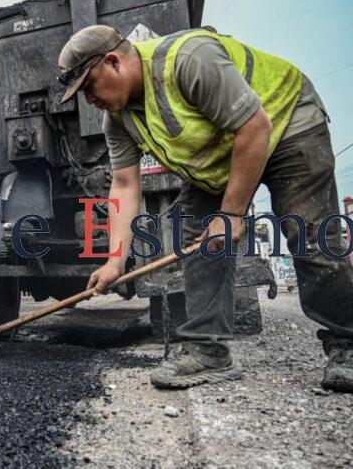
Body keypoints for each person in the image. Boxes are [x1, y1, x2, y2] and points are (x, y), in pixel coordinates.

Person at [58, 25, 352, 392]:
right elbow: (125, 184)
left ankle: (347, 342)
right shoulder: (118, 118)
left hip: (284, 122)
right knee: (197, 237)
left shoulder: (188, 60)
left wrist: (231, 215)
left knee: (308, 233)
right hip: (222, 155)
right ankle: (208, 352)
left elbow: (254, 126)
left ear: (114, 62)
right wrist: (115, 261)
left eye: (89, 86)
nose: (89, 100)